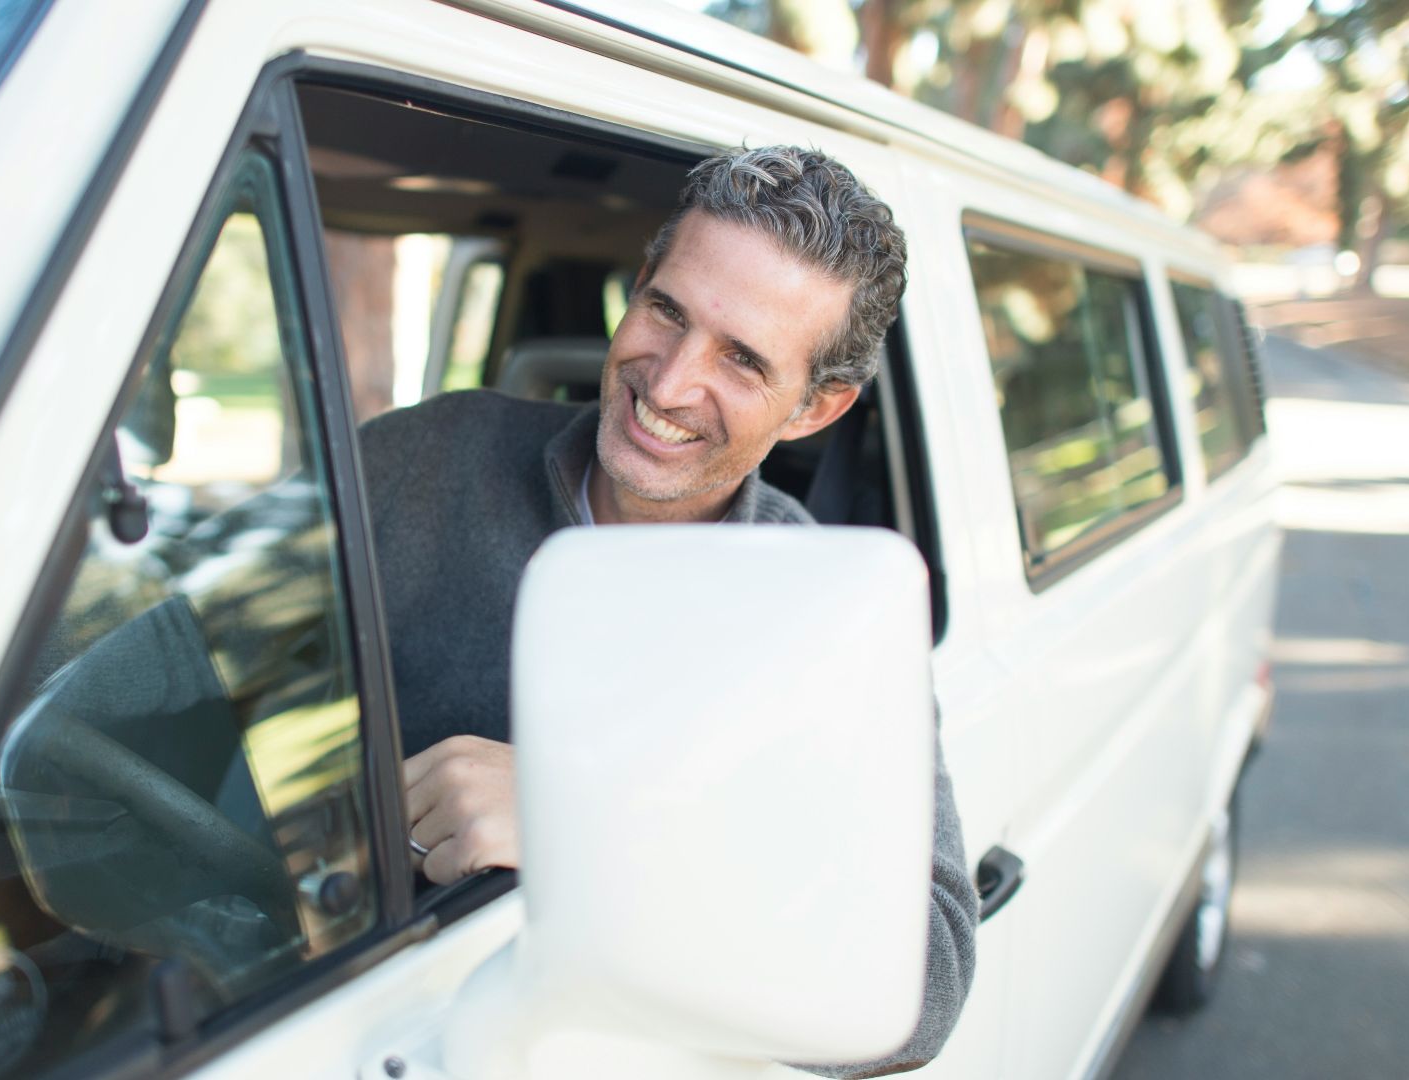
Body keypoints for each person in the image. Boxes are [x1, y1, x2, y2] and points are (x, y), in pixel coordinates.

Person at [357, 146, 975, 1076]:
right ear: (639, 283)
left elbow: (926, 981)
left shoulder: (830, 616)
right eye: (666, 311)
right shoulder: (425, 459)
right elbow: (156, 683)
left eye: (742, 359)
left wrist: (591, 830)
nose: (671, 383)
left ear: (816, 408)